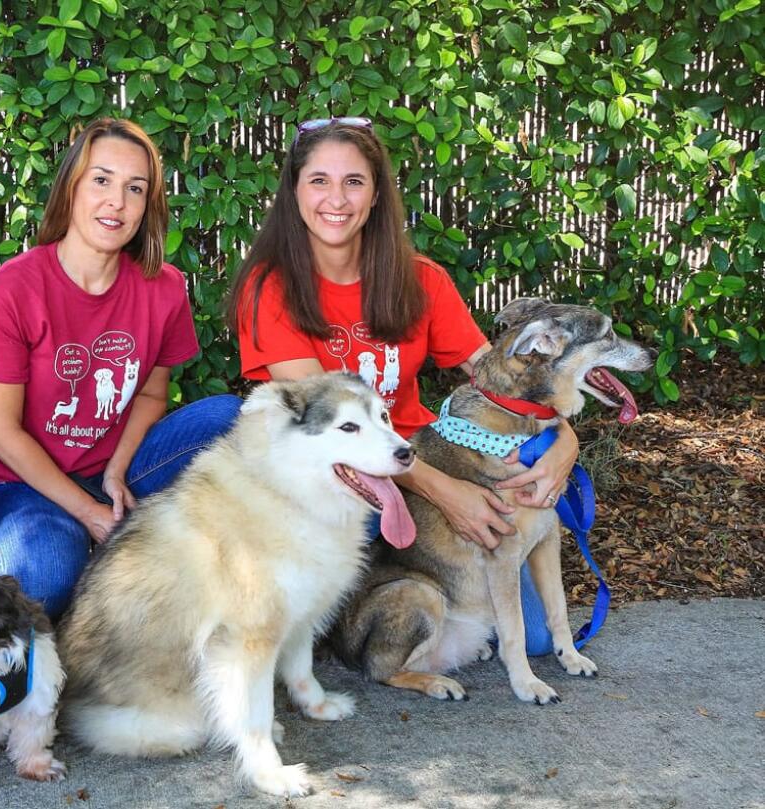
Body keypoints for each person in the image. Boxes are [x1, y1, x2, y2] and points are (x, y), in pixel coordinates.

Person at [229, 116, 578, 550]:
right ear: (294, 191)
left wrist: (566, 440)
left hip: (421, 455)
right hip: (341, 472)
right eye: (319, 180)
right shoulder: (269, 288)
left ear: (375, 195)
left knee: (520, 611)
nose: (336, 198)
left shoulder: (421, 280)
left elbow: (505, 380)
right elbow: (325, 417)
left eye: (354, 181)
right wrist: (445, 493)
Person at [0, 118, 241, 620]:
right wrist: (89, 513)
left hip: (120, 470)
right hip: (23, 482)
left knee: (229, 416)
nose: (117, 201)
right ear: (71, 188)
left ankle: (204, 563)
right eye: (101, 180)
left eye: (135, 188)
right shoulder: (13, 290)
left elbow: (153, 397)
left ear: (147, 205)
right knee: (40, 583)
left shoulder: (164, 287)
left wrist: (115, 473)